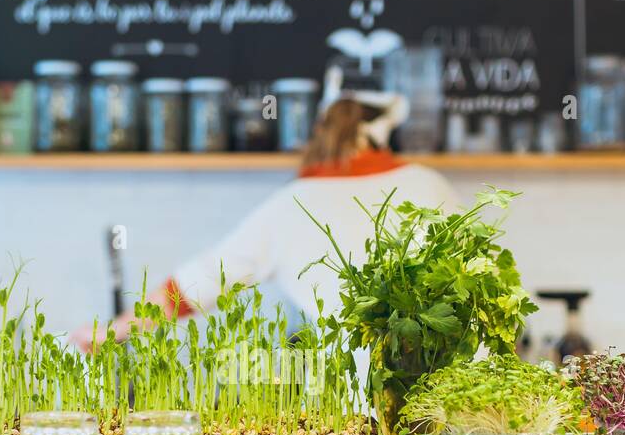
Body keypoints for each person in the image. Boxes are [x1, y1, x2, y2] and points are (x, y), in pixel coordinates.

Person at [71, 79, 461, 349]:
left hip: (363, 410)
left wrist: (110, 331)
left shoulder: (293, 203)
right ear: (384, 135)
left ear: (318, 136)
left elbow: (195, 285)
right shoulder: (433, 185)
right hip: (458, 407)